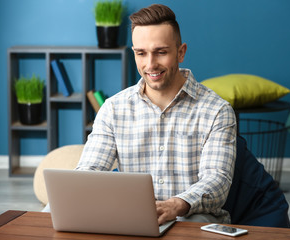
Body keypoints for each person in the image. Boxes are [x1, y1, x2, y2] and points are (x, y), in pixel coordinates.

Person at [75, 4, 236, 224]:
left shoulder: (217, 111)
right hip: (132, 217)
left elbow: (217, 181)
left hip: (191, 217)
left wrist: (176, 205)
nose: (150, 65)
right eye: (141, 53)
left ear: (181, 52)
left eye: (161, 52)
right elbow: (90, 170)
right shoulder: (113, 109)